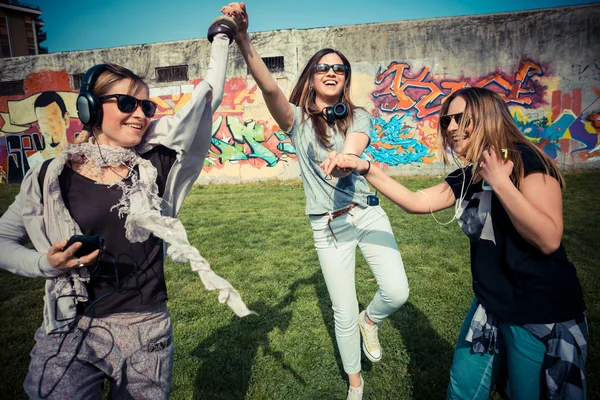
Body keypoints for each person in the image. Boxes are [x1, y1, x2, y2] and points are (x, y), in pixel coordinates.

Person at [0, 17, 254, 399]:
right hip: (69, 327)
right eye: (126, 103)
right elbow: (3, 241)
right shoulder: (49, 178)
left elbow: (205, 102)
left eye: (145, 106)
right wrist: (46, 265)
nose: (140, 114)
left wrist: (222, 37)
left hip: (144, 326)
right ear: (90, 107)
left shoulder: (158, 168)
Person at [325, 87, 588, 399]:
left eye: (460, 118)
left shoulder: (526, 161)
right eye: (446, 120)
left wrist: (501, 182)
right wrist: (365, 167)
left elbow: (548, 239)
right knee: (462, 390)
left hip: (538, 312)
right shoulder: (469, 175)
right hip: (490, 307)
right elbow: (416, 201)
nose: (449, 127)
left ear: (487, 117)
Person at [221, 3, 409, 399]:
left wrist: (346, 160)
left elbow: (355, 149)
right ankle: (355, 386)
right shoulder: (295, 122)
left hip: (368, 213)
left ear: (345, 79)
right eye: (323, 67)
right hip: (327, 227)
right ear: (311, 76)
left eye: (338, 68)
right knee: (342, 312)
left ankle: (370, 320)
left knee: (396, 291)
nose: (330, 72)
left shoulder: (359, 117)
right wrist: (242, 39)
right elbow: (270, 87)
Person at [27, 91, 70, 169]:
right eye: (43, 122)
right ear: (39, 127)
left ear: (66, 120)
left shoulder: (77, 156)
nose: (49, 128)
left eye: (53, 120)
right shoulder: (34, 161)